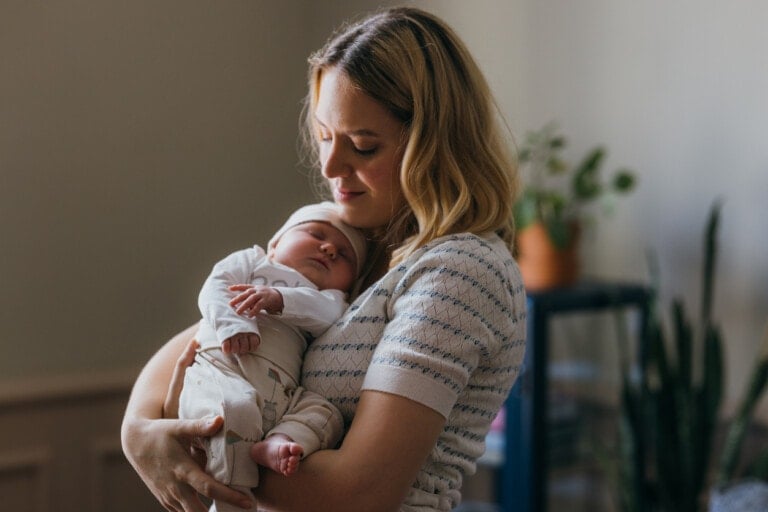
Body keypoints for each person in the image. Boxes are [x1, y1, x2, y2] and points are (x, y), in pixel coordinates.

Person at [121, 6, 527, 512]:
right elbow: (212, 321)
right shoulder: (358, 243)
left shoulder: (460, 272)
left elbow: (358, 493)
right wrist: (137, 431)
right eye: (324, 138)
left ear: (434, 145)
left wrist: (201, 454)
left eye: (362, 145)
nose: (332, 167)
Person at [177, 202, 367, 512]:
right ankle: (232, 504)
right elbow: (214, 288)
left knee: (327, 415)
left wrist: (280, 299)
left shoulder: (331, 299)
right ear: (276, 244)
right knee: (235, 410)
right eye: (315, 233)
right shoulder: (252, 261)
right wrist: (234, 325)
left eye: (345, 254)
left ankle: (279, 441)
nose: (330, 248)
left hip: (281, 393)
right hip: (222, 371)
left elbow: (329, 315)